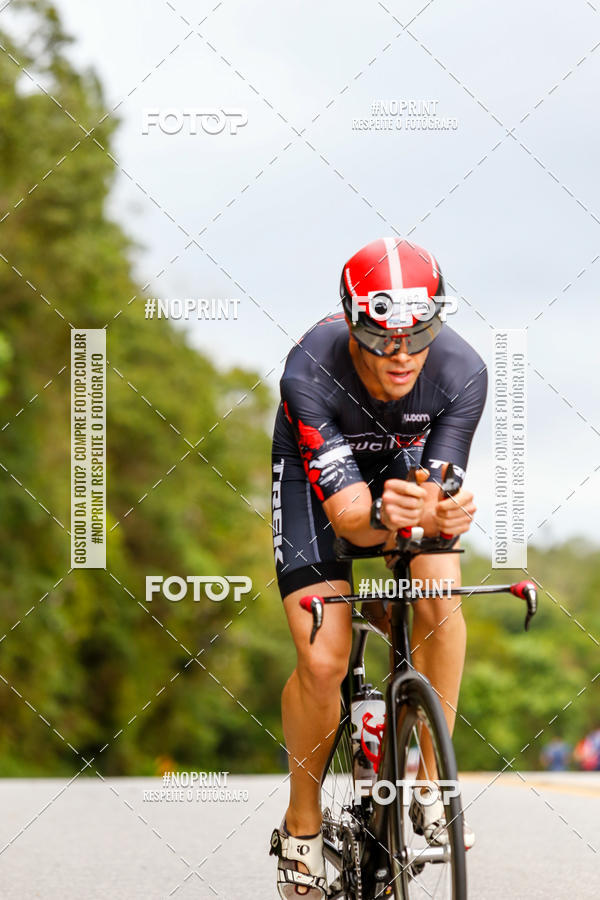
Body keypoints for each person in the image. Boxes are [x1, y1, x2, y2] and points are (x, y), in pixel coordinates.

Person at [269, 238, 487, 898]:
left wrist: (442, 514)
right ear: (352, 322)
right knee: (324, 659)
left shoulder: (463, 371)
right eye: (380, 334)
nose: (401, 354)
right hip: (321, 489)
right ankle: (302, 825)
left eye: (418, 333)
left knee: (438, 595)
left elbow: (435, 495)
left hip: (401, 469)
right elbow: (351, 520)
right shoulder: (309, 369)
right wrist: (393, 519)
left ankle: (428, 785)